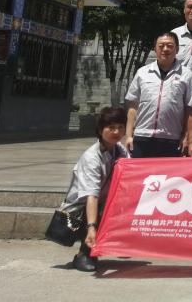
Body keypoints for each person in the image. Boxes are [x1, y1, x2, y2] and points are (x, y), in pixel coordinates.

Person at [58, 106, 128, 272]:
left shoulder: (120, 150)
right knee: (98, 212)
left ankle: (102, 246)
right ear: (100, 129)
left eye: (120, 127)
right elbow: (91, 195)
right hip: (81, 207)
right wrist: (91, 227)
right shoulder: (91, 157)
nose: (116, 132)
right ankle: (84, 254)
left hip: (104, 199)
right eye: (111, 127)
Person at [124, 32, 192, 158]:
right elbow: (133, 106)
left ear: (177, 49)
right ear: (155, 48)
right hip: (142, 136)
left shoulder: (186, 74)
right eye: (161, 46)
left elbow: (190, 109)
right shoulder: (142, 73)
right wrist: (128, 136)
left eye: (170, 46)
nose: (165, 49)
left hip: (171, 139)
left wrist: (186, 137)